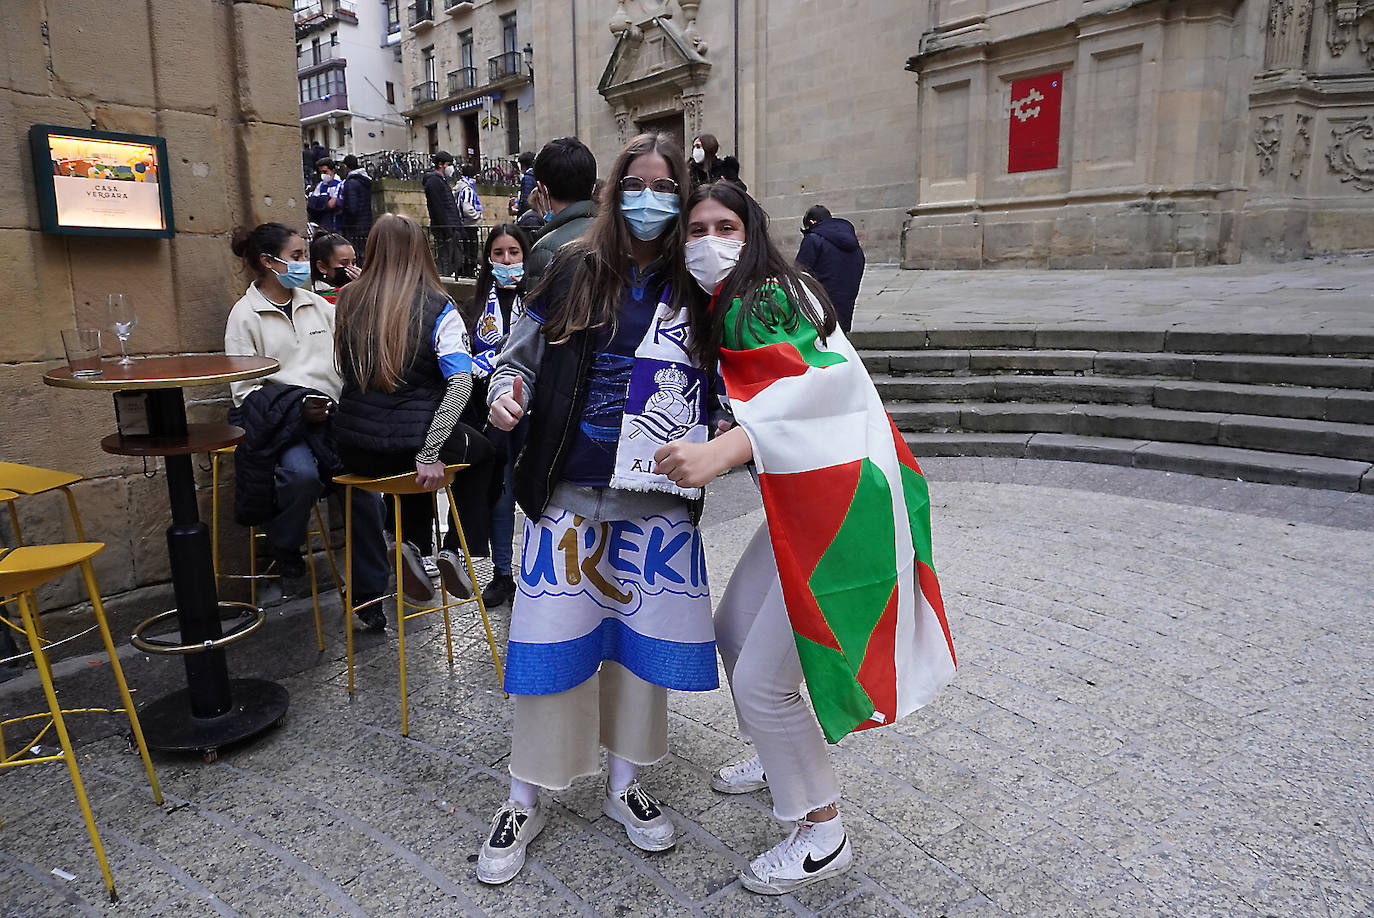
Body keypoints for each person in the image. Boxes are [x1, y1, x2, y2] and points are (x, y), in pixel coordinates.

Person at [653, 181, 956, 895]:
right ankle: (779, 754)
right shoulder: (735, 304)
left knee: (762, 681)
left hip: (843, 506)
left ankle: (822, 833)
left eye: (724, 225)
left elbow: (813, 394)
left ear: (751, 230)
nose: (708, 240)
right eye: (695, 229)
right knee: (732, 627)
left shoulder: (771, 298)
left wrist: (721, 453)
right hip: (812, 502)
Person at [477, 133, 717, 885]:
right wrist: (505, 393)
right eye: (638, 182)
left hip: (658, 498)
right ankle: (527, 793)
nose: (652, 197)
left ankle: (624, 784)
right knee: (548, 646)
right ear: (616, 190)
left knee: (637, 650)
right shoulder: (573, 266)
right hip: (571, 488)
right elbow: (516, 360)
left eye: (666, 183)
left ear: (684, 193)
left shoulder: (700, 284)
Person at [223, 222, 390, 623]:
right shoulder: (245, 316)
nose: (304, 264)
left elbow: (350, 353)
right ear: (268, 261)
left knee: (365, 492)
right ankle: (284, 546)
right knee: (299, 476)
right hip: (283, 423)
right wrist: (297, 409)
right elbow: (245, 392)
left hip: (333, 417)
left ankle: (369, 594)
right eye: (297, 257)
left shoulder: (317, 305)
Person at [332, 213, 497, 609]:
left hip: (356, 448)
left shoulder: (348, 300)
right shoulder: (439, 305)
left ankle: (410, 544)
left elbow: (344, 370)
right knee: (488, 453)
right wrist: (430, 452)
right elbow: (460, 385)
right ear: (421, 251)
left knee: (405, 461)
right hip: (410, 445)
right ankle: (457, 550)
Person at [463, 223, 533, 609]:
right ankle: (503, 573)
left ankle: (543, 569)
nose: (507, 261)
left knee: (538, 491)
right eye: (499, 254)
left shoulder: (540, 299)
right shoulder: (473, 308)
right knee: (500, 495)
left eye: (514, 253)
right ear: (489, 259)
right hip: (492, 416)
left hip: (534, 413)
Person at [523, 137, 597, 288]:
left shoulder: (545, 251)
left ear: (542, 190)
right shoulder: (617, 233)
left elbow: (542, 310)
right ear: (593, 188)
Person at [796, 204, 865, 333]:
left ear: (811, 222)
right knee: (840, 334)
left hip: (820, 299)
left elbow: (800, 270)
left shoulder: (813, 239)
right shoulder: (853, 242)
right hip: (847, 296)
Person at [422, 151, 462, 278]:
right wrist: (447, 230)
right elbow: (438, 207)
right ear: (441, 164)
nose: (451, 168)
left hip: (450, 228)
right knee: (445, 260)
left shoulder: (441, 181)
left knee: (454, 260)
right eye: (448, 164)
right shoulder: (434, 182)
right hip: (445, 230)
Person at [339, 154, 374, 259]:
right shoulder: (364, 181)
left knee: (356, 255)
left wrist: (346, 219)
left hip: (355, 226)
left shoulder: (350, 183)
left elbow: (352, 207)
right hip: (366, 223)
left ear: (346, 167)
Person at [309, 232, 359, 303]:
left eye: (353, 263)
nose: (352, 268)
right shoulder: (317, 298)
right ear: (322, 267)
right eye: (344, 263)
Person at [455, 162, 484, 276]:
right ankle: (469, 273)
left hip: (462, 224)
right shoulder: (468, 189)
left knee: (465, 251)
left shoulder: (459, 187)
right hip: (469, 225)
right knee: (471, 252)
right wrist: (478, 216)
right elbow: (467, 208)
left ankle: (465, 272)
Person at [307, 159, 343, 233]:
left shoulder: (339, 185)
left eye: (325, 172)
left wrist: (320, 203)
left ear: (332, 171)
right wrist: (326, 201)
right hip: (321, 225)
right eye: (321, 172)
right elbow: (311, 203)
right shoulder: (321, 185)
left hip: (335, 225)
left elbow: (332, 204)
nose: (323, 175)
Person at [515, 151, 537, 216]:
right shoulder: (537, 175)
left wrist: (520, 213)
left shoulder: (527, 178)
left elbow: (525, 200)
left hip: (528, 215)